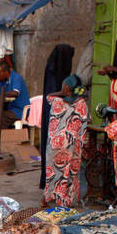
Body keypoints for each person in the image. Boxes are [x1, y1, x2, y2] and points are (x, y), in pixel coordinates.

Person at [44, 75, 89, 208]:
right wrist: (64, 93)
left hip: (68, 146)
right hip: (60, 147)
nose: (63, 89)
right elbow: (48, 97)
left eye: (66, 87)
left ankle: (61, 199)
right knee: (58, 173)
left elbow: (83, 126)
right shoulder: (61, 101)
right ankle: (54, 198)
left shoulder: (76, 103)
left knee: (67, 173)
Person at [39, 44, 74, 189]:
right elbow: (54, 95)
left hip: (51, 115)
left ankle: (48, 181)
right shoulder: (56, 74)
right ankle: (53, 183)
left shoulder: (51, 69)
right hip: (55, 117)